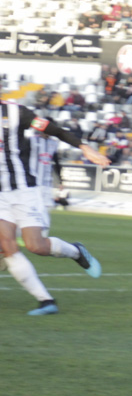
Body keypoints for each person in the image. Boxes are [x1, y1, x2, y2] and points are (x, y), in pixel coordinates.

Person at [0, 102, 109, 315]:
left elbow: (55, 130)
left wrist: (84, 147)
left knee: (36, 246)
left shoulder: (16, 113)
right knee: (8, 246)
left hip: (23, 190)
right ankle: (46, 301)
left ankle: (76, 252)